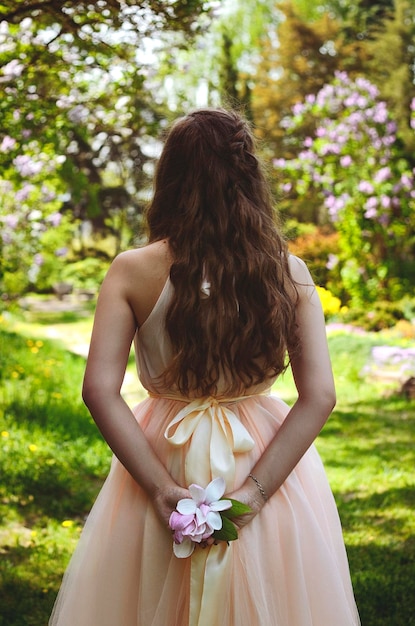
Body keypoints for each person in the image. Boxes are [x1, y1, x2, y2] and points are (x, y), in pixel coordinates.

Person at [49, 108, 360, 625]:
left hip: (163, 451)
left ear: (169, 177)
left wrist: (158, 488)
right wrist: (255, 494)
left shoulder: (132, 270)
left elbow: (100, 390)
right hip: (264, 455)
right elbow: (319, 395)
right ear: (248, 177)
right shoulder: (290, 271)